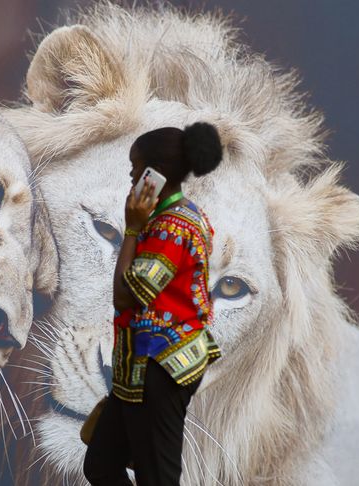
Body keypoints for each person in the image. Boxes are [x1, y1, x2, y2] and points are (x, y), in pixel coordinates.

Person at [83, 122, 223, 486]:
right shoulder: (174, 218)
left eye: (135, 171)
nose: (131, 181)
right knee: (101, 464)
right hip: (140, 367)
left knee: (156, 477)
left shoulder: (171, 228)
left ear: (153, 175)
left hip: (161, 369)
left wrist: (131, 228)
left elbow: (126, 294)